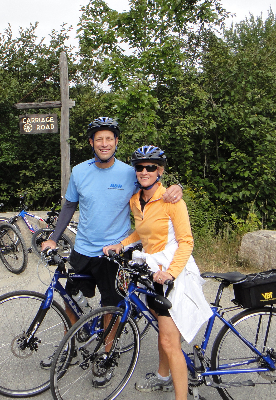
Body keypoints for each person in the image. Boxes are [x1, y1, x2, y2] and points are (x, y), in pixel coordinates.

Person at [40, 118, 183, 384]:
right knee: (70, 300)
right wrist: (53, 238)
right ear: (91, 143)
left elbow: (155, 187)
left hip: (113, 255)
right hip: (82, 249)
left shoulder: (130, 173)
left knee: (111, 307)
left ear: (116, 142)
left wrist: (178, 188)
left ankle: (107, 356)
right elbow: (69, 206)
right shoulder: (79, 171)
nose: (104, 144)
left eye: (109, 139)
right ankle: (69, 346)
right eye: (99, 139)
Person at [103, 145, 213, 400]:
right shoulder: (136, 200)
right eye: (140, 167)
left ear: (160, 171)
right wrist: (120, 245)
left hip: (173, 272)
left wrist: (171, 273)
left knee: (168, 341)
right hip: (152, 270)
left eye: (150, 167)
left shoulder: (172, 201)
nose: (144, 171)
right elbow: (141, 233)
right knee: (161, 330)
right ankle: (164, 377)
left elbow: (186, 241)